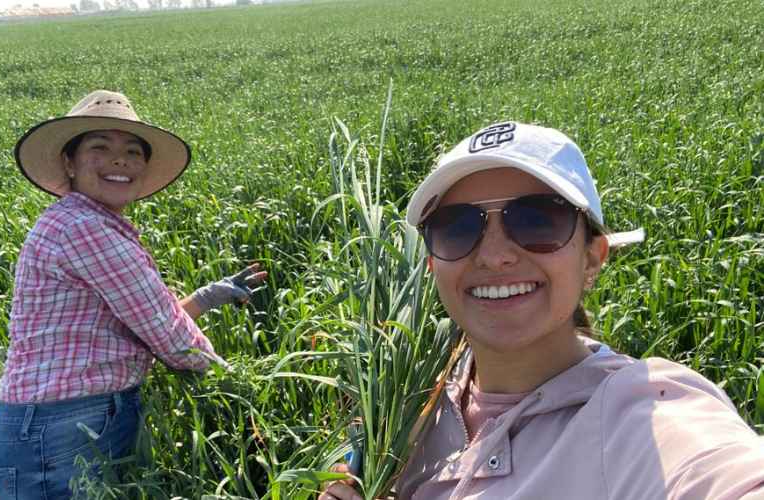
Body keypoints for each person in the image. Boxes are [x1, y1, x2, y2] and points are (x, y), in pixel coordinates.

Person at [320, 122, 764, 500]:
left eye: (536, 219)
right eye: (457, 227)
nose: (494, 255)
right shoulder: (411, 399)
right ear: (434, 263)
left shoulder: (641, 415)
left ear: (592, 257)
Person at [0, 90, 266, 499]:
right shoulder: (84, 229)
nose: (121, 160)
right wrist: (245, 389)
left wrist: (207, 296)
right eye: (101, 147)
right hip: (60, 435)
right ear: (70, 162)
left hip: (58, 431)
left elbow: (138, 326)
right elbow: (169, 336)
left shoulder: (84, 222)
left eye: (133, 151)